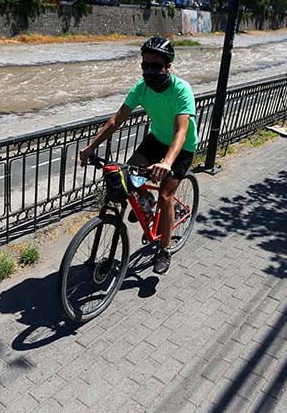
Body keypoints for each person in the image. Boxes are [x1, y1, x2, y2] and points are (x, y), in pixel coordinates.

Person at [79, 36, 198, 275]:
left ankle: (164, 249)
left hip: (181, 147)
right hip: (155, 140)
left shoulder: (181, 90)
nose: (150, 71)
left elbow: (181, 132)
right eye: (145, 65)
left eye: (156, 66)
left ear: (168, 67)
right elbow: (115, 120)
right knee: (129, 175)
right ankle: (147, 202)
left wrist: (166, 162)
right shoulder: (141, 89)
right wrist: (91, 147)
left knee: (166, 195)